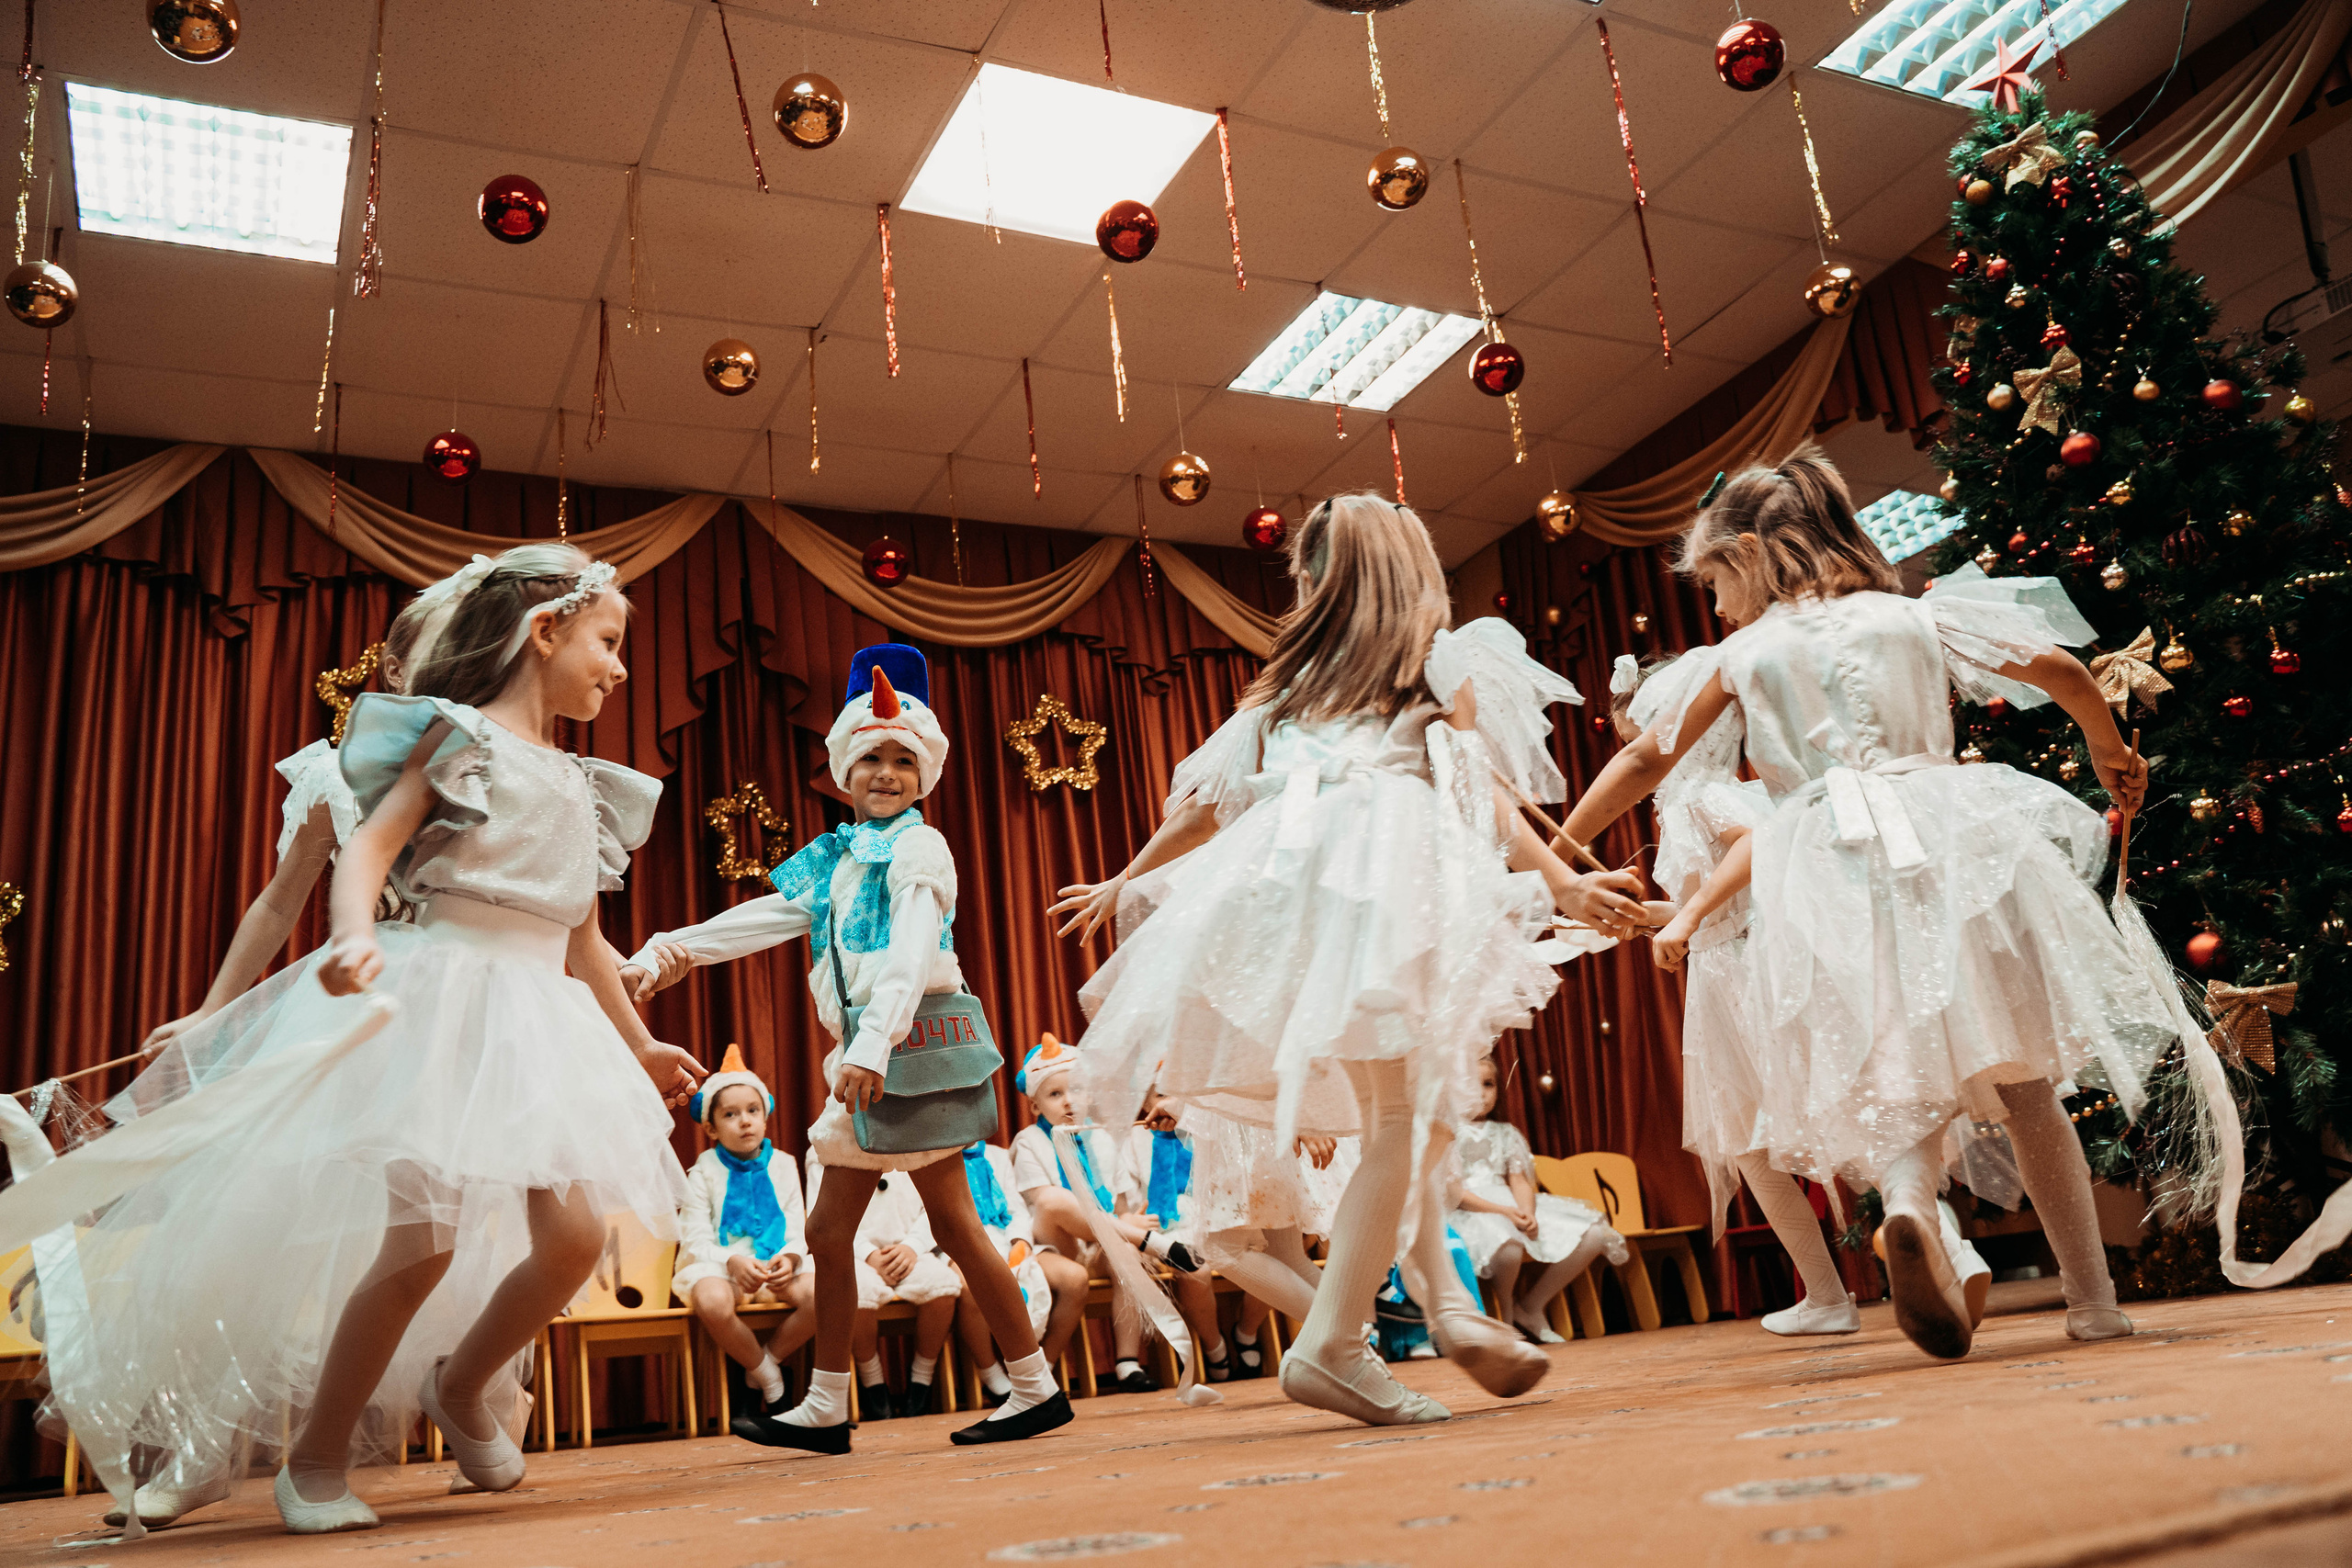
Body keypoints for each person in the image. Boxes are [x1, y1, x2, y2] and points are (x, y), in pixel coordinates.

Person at [24, 546, 704, 1534]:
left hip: (538, 1021)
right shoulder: (458, 741)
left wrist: (638, 1044)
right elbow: (371, 849)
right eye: (607, 641)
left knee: (574, 1240)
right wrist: (351, 936)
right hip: (445, 1008)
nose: (621, 666)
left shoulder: (577, 782)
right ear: (544, 632)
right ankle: (315, 1462)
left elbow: (583, 935)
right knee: (419, 1246)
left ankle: (460, 1383)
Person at [1051, 492, 1651, 1427]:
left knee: (1406, 1118)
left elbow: (1215, 807)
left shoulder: (1287, 684)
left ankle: (1428, 1316)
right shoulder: (1428, 662)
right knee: (1405, 1119)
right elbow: (1481, 795)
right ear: (1410, 572)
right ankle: (1333, 1345)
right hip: (1380, 889)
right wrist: (1562, 882)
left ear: (1316, 581)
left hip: (1295, 900)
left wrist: (1123, 877)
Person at [1555, 449, 2167, 1361]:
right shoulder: (1918, 616)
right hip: (1950, 844)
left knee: (1898, 1067)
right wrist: (2110, 751)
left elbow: (1646, 757)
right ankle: (2092, 1303)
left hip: (1828, 865)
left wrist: (1562, 849)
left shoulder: (1743, 653)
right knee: (2025, 1084)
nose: (1716, 604)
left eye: (1716, 580)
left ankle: (1911, 1207)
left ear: (1751, 554)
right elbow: (2061, 673)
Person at [620, 644, 1071, 1450]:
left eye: (903, 759)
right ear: (842, 769)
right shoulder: (840, 859)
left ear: (924, 773)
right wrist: (666, 952)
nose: (886, 773)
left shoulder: (919, 848)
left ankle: (1019, 1387)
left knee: (946, 1226)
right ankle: (842, 1400)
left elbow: (912, 947)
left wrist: (873, 1044)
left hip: (900, 1052)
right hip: (872, 1059)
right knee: (842, 1233)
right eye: (871, 757)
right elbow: (763, 917)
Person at [1624, 651, 1993, 1336]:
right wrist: (1658, 916)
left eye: (1638, 738)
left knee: (1792, 1131)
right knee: (1781, 1136)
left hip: (1744, 976)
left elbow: (1757, 848)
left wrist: (1688, 914)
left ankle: (1873, 1278)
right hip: (1727, 967)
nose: (1636, 757)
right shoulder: (1709, 796)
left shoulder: (1701, 794)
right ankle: (1876, 1276)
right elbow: (1726, 897)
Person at [1007, 1035, 1185, 1393]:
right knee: (1054, 1200)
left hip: (1102, 1241)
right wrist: (1124, 1224)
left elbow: (1119, 1208)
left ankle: (1128, 1363)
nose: (1069, 1101)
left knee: (1127, 1255)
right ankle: (1145, 1239)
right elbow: (1041, 1203)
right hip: (1055, 1244)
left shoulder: (1103, 1137)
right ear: (1035, 1106)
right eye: (1055, 1094)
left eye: (1076, 1090)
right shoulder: (1029, 1141)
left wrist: (1124, 1220)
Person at [674, 1045, 817, 1427]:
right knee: (712, 1302)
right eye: (731, 1114)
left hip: (774, 1262)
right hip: (721, 1265)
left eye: (753, 1111)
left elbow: (797, 1225)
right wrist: (732, 1261)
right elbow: (695, 1239)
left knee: (825, 1294)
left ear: (765, 1116)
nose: (745, 1122)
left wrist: (791, 1258)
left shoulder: (784, 1165)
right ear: (711, 1128)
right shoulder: (702, 1171)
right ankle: (771, 1380)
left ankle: (758, 1369)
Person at [1443, 1055, 1625, 1343]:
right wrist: (1503, 1212)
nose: (1480, 1093)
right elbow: (1453, 1191)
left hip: (1510, 1203)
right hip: (1470, 1208)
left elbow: (1518, 1179)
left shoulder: (1506, 1133)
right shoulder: (1446, 1134)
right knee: (1508, 1247)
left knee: (1593, 1234)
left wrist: (1527, 1212)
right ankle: (1506, 1312)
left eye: (1488, 1084)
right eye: (1470, 1085)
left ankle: (1530, 1305)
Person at [810, 1153, 962, 1420]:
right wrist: (868, 1254)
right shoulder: (824, 1150)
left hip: (910, 1252)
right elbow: (822, 1214)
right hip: (855, 1255)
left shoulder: (917, 1143)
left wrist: (912, 1246)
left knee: (944, 1286)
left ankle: (921, 1381)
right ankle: (873, 1384)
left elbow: (936, 1205)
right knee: (857, 1294)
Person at [951, 1138, 1082, 1402]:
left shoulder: (998, 1156)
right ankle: (991, 1374)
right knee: (968, 1287)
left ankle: (1044, 1370)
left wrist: (1020, 1241)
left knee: (1075, 1279)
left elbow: (1015, 1208)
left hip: (1007, 1239)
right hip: (962, 1246)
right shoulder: (934, 1159)